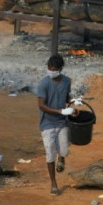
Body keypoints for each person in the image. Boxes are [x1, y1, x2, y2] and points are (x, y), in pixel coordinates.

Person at [37, 54, 77, 196]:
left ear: (60, 69)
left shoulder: (67, 81)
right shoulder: (44, 83)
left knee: (65, 151)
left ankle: (62, 157)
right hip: (47, 123)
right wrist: (61, 111)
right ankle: (54, 183)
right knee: (49, 154)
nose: (51, 71)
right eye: (49, 68)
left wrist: (73, 104)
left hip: (62, 123)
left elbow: (66, 97)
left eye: (54, 69)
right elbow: (41, 105)